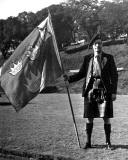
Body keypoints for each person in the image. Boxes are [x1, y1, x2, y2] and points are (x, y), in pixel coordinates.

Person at [64, 33, 118, 149]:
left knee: (106, 117)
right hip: (90, 91)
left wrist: (113, 91)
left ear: (102, 45)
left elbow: (114, 75)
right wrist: (69, 78)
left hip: (104, 90)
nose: (98, 46)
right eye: (95, 44)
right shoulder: (87, 58)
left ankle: (108, 142)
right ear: (92, 46)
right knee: (89, 116)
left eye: (100, 44)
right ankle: (88, 142)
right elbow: (81, 74)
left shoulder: (109, 58)